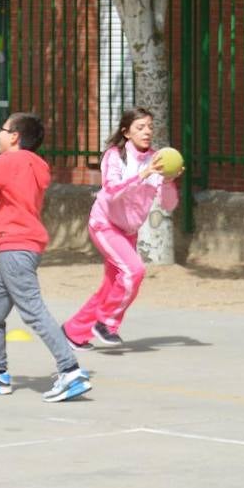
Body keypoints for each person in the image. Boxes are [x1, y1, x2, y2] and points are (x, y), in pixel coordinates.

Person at [0, 112, 92, 402]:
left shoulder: (14, 161)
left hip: (16, 250)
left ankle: (70, 371)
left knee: (32, 309)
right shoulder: (27, 166)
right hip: (14, 246)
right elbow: (10, 215)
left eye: (2, 130)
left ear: (14, 137)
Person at [61, 107, 178, 350]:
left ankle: (73, 331)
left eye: (149, 127)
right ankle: (106, 323)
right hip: (105, 224)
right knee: (134, 271)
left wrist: (167, 182)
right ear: (126, 133)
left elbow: (169, 204)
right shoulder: (114, 156)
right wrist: (143, 174)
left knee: (112, 286)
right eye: (140, 127)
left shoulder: (157, 159)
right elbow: (112, 192)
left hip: (128, 231)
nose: (147, 132)